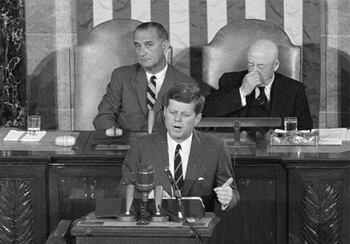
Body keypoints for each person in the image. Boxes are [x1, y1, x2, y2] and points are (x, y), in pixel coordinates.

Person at [122, 83, 239, 212]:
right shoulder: (142, 145)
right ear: (165, 112)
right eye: (172, 112)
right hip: (155, 224)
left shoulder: (216, 147)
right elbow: (123, 189)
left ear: (197, 119)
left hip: (196, 227)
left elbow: (232, 193)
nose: (177, 119)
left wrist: (227, 198)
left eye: (185, 115)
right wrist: (150, 195)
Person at [93, 22, 197, 133]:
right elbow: (103, 116)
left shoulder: (186, 84)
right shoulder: (121, 76)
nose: (142, 52)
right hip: (127, 145)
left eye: (149, 45)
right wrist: (115, 135)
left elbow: (186, 126)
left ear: (164, 46)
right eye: (138, 46)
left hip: (164, 147)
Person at [203, 39, 313, 130]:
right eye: (251, 64)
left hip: (277, 152)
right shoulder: (230, 81)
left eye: (260, 66)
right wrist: (242, 92)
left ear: (275, 65)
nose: (254, 71)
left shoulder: (294, 89)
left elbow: (305, 128)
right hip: (238, 150)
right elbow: (206, 112)